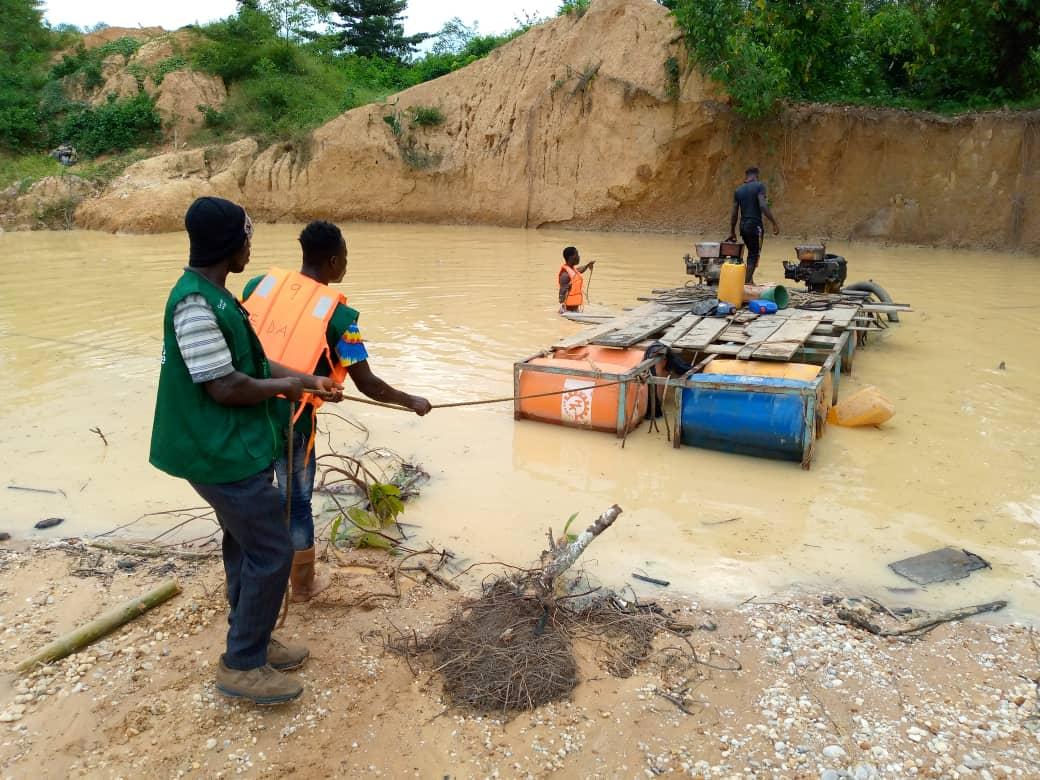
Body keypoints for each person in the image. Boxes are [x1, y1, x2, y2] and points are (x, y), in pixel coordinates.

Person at [149, 196, 343, 705]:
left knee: (244, 543)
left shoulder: (217, 296)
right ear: (229, 243)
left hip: (230, 447)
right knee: (272, 548)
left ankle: (252, 637)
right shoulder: (195, 304)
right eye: (247, 238)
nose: (250, 248)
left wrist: (306, 380)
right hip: (213, 451)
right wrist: (292, 386)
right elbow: (226, 387)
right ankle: (242, 663)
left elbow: (253, 363)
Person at [242, 220, 432, 602]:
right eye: (344, 257)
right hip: (293, 424)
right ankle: (302, 587)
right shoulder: (343, 321)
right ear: (332, 261)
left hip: (244, 411)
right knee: (296, 504)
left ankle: (254, 576)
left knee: (251, 495)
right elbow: (368, 384)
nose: (346, 264)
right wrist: (412, 401)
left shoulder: (258, 287)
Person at [727, 166, 780, 284]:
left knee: (751, 251)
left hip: (743, 227)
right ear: (756, 176)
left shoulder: (738, 190)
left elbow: (734, 213)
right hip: (755, 226)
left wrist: (732, 231)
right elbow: (762, 205)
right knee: (754, 254)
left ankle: (749, 281)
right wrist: (774, 223)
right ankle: (745, 284)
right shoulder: (759, 186)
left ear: (746, 176)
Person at [558, 246, 595, 313]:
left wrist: (587, 265)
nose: (579, 257)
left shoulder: (573, 270)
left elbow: (580, 270)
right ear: (571, 257)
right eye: (577, 254)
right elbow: (560, 299)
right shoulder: (565, 276)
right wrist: (567, 289)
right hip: (567, 312)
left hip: (575, 311)